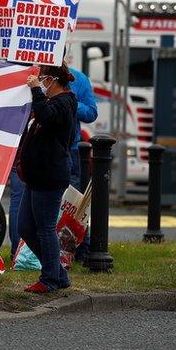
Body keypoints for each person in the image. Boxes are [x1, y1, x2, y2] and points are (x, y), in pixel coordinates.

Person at [17, 62, 77, 293]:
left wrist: (35, 91)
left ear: (52, 80)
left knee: (44, 228)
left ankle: (50, 278)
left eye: (42, 77)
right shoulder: (53, 102)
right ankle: (57, 273)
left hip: (49, 177)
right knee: (25, 227)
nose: (39, 80)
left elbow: (48, 117)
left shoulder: (65, 102)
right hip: (37, 177)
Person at [67, 67, 98, 262]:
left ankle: (79, 250)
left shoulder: (77, 78)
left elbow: (91, 112)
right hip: (40, 149)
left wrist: (70, 103)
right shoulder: (32, 75)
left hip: (70, 148)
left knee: (74, 202)